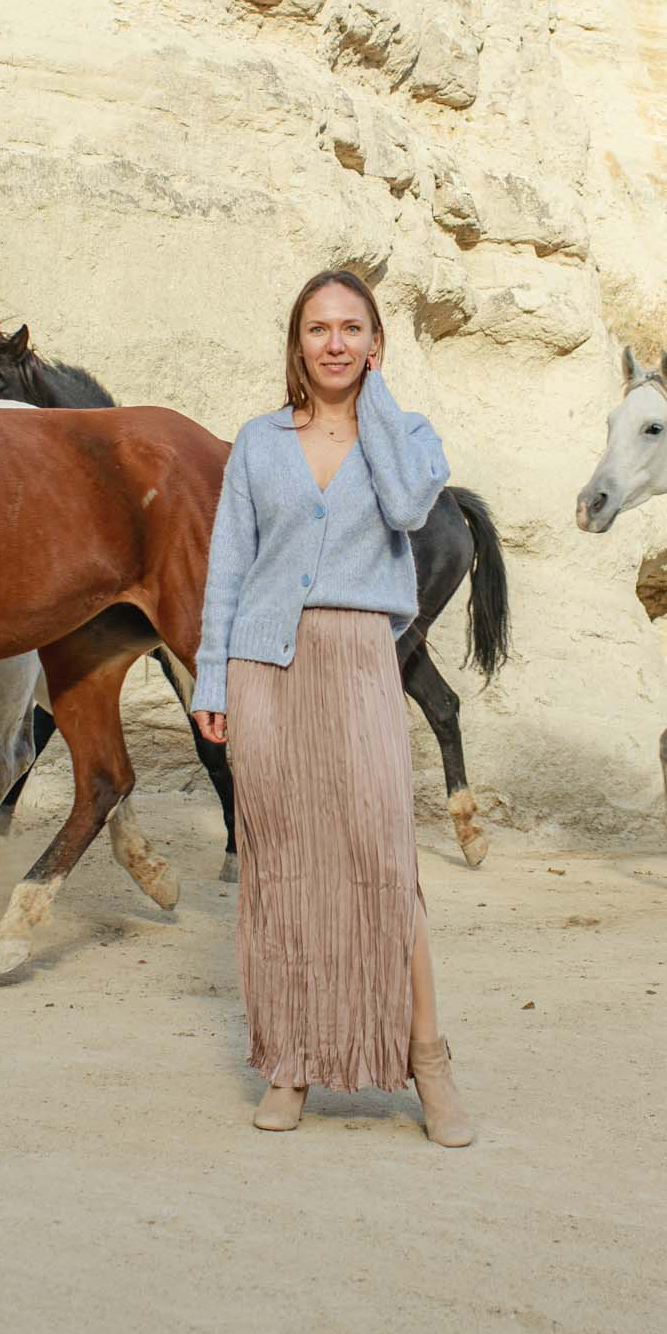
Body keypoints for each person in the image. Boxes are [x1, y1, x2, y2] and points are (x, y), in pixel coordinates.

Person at [192, 271, 475, 1145]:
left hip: (358, 663)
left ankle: (428, 1062)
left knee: (384, 860)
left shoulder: (409, 438)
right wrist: (212, 679)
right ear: (297, 344)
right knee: (281, 870)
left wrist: (376, 399)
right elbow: (229, 569)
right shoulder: (257, 442)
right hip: (265, 666)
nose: (336, 343)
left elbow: (405, 504)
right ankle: (290, 1065)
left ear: (376, 343)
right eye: (319, 329)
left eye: (353, 329)